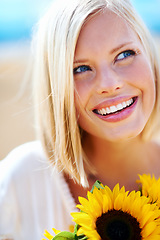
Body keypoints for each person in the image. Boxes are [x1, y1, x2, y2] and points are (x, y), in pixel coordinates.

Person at [0, 0, 160, 239]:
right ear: (58, 87)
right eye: (81, 69)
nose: (110, 84)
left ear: (148, 53)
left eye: (124, 54)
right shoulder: (21, 181)